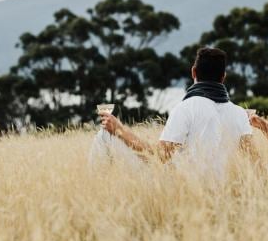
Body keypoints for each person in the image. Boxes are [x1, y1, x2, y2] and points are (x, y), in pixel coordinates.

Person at [94, 47, 256, 179]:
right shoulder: (239, 113)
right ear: (223, 77)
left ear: (194, 72)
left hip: (181, 188)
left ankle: (96, 193)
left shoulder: (186, 107)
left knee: (105, 135)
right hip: (220, 187)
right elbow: (254, 162)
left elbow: (159, 157)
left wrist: (118, 129)